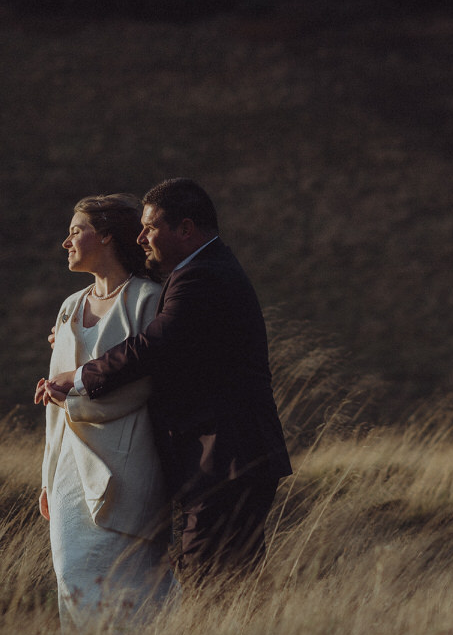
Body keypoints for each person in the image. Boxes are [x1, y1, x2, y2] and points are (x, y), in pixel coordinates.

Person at [39, 178, 292, 584]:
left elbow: (154, 344)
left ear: (186, 229)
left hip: (224, 456)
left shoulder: (200, 277)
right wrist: (73, 340)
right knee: (221, 578)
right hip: (221, 459)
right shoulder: (198, 272)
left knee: (212, 580)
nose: (141, 238)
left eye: (151, 227)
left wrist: (81, 376)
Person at [34, 193, 173, 634]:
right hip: (69, 471)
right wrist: (47, 476)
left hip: (128, 465)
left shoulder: (147, 299)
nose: (66, 241)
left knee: (127, 580)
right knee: (71, 574)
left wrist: (69, 394)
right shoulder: (70, 307)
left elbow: (142, 386)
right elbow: (54, 409)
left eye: (77, 230)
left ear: (108, 236)